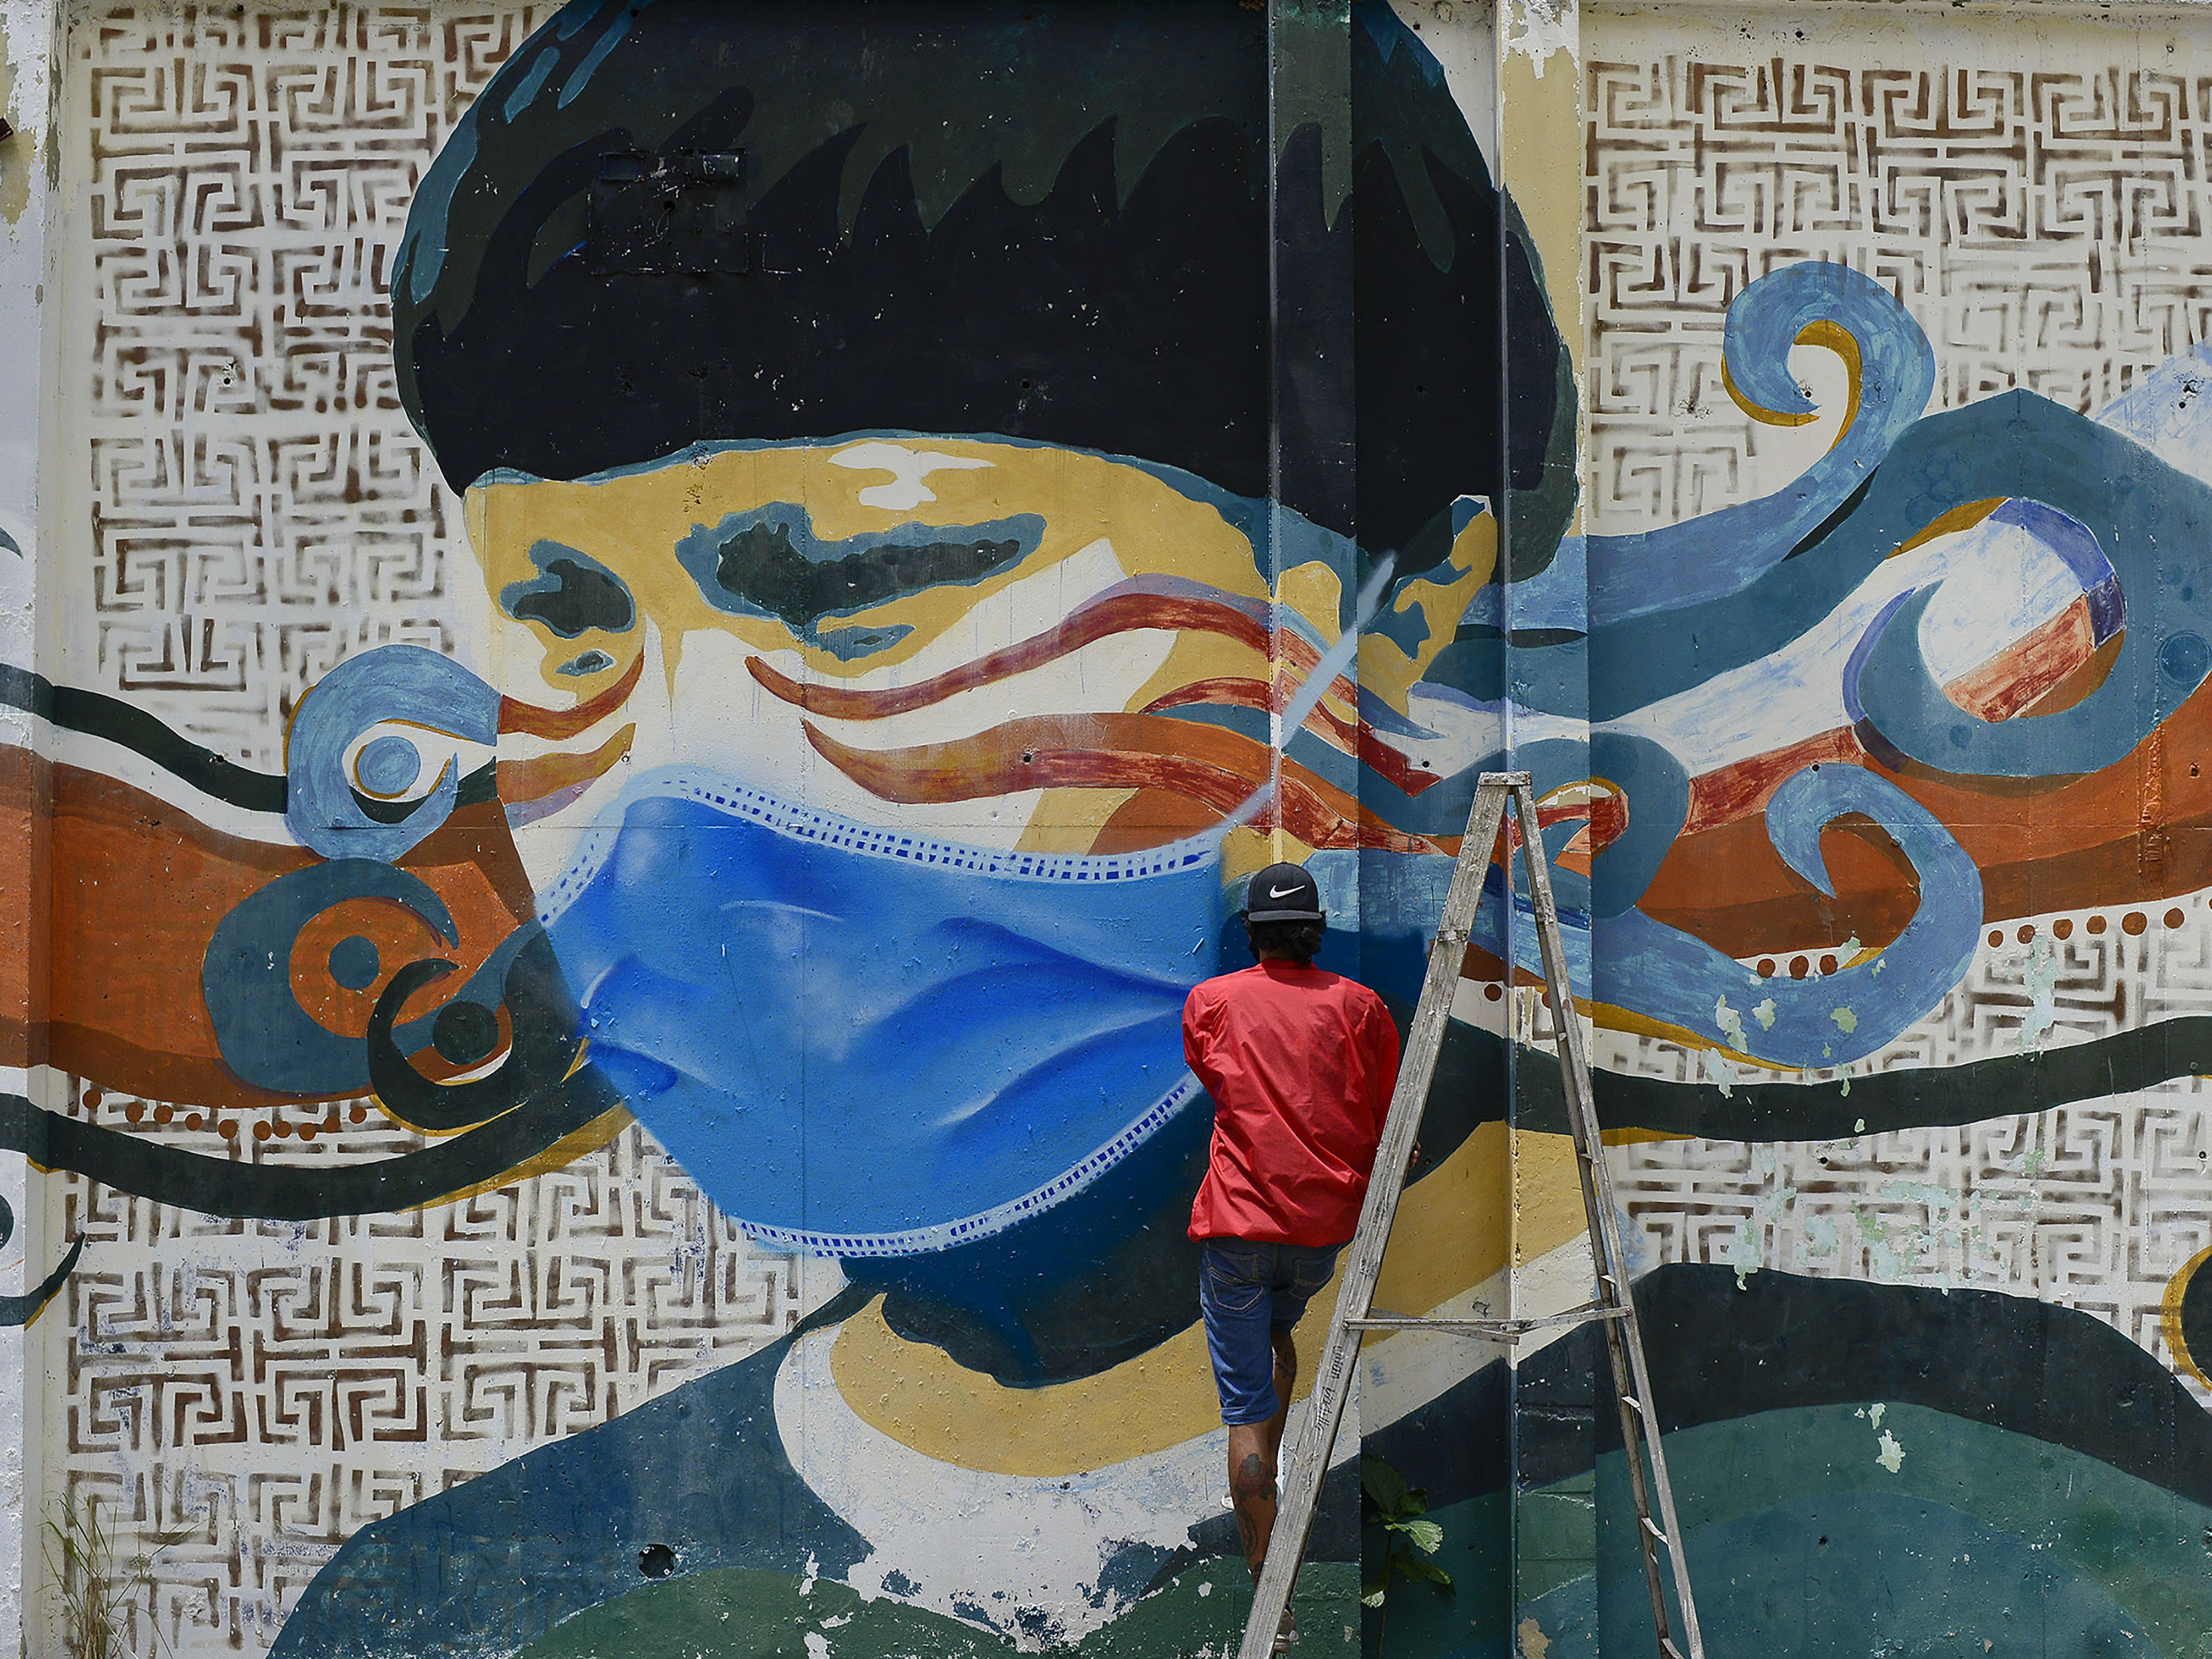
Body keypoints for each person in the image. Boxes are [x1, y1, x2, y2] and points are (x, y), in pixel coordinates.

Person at [1185, 861, 1402, 1647]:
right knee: (1280, 1337)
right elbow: (1387, 1117)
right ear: (1316, 930)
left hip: (1239, 1228)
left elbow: (1214, 1074)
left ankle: (1271, 1605)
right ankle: (1265, 1475)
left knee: (1244, 1412)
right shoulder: (1362, 1007)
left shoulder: (1212, 1003)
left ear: (1250, 932)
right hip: (1318, 1236)